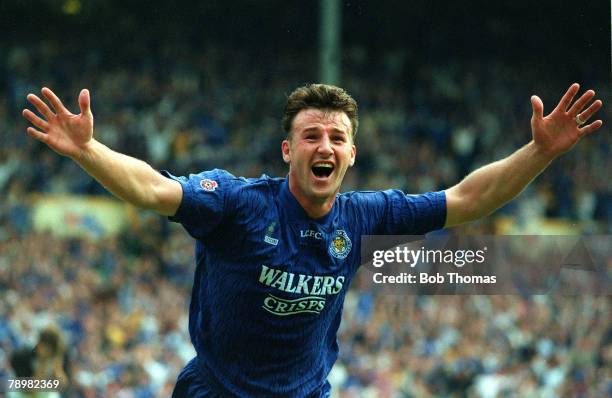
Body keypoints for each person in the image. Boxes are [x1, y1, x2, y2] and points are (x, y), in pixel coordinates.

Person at [22, 83, 602, 397]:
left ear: (351, 154)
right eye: (310, 135)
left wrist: (541, 151)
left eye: (336, 137)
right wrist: (87, 151)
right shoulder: (238, 203)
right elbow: (151, 189)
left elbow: (469, 200)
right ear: (287, 150)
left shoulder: (365, 215)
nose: (324, 145)